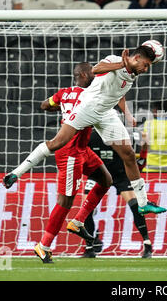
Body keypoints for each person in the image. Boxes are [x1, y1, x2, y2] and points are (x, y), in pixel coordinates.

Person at [3, 45, 166, 216]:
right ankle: (15, 173)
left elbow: (118, 93)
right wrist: (122, 65)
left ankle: (143, 202)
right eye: (146, 65)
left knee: (129, 154)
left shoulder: (132, 74)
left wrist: (128, 115)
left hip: (106, 114)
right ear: (137, 57)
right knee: (57, 143)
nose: (146, 69)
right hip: (87, 108)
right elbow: (96, 69)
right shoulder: (115, 60)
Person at [32, 63, 113, 264]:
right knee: (65, 201)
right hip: (69, 152)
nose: (96, 77)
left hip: (82, 149)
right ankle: (43, 245)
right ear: (85, 75)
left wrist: (62, 107)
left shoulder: (65, 93)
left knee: (105, 180)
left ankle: (78, 221)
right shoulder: (89, 95)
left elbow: (44, 105)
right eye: (93, 74)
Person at [78, 128, 153, 258]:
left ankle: (147, 244)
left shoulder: (121, 134)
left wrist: (143, 156)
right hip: (99, 174)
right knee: (86, 207)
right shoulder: (92, 136)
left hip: (120, 174)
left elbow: (145, 137)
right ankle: (90, 244)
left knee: (135, 205)